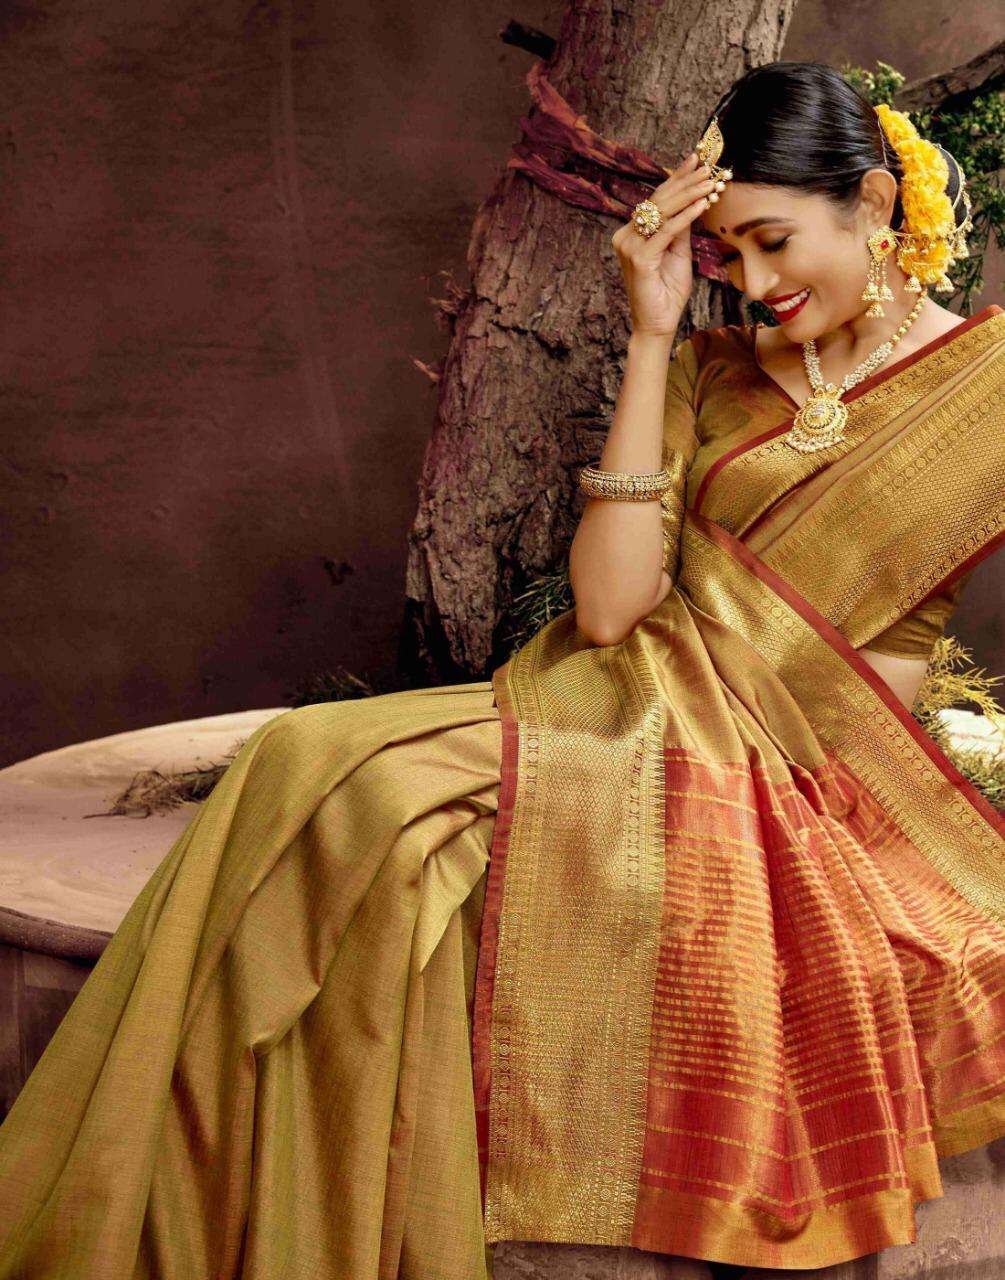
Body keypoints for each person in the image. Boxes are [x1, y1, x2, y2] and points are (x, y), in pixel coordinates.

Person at [0, 59, 1001, 1280]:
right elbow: (613, 606)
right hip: (623, 700)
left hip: (798, 763)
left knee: (396, 830)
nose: (751, 283)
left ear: (876, 205)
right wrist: (650, 333)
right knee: (310, 762)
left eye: (774, 241)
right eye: (728, 252)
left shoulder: (987, 393)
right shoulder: (709, 368)